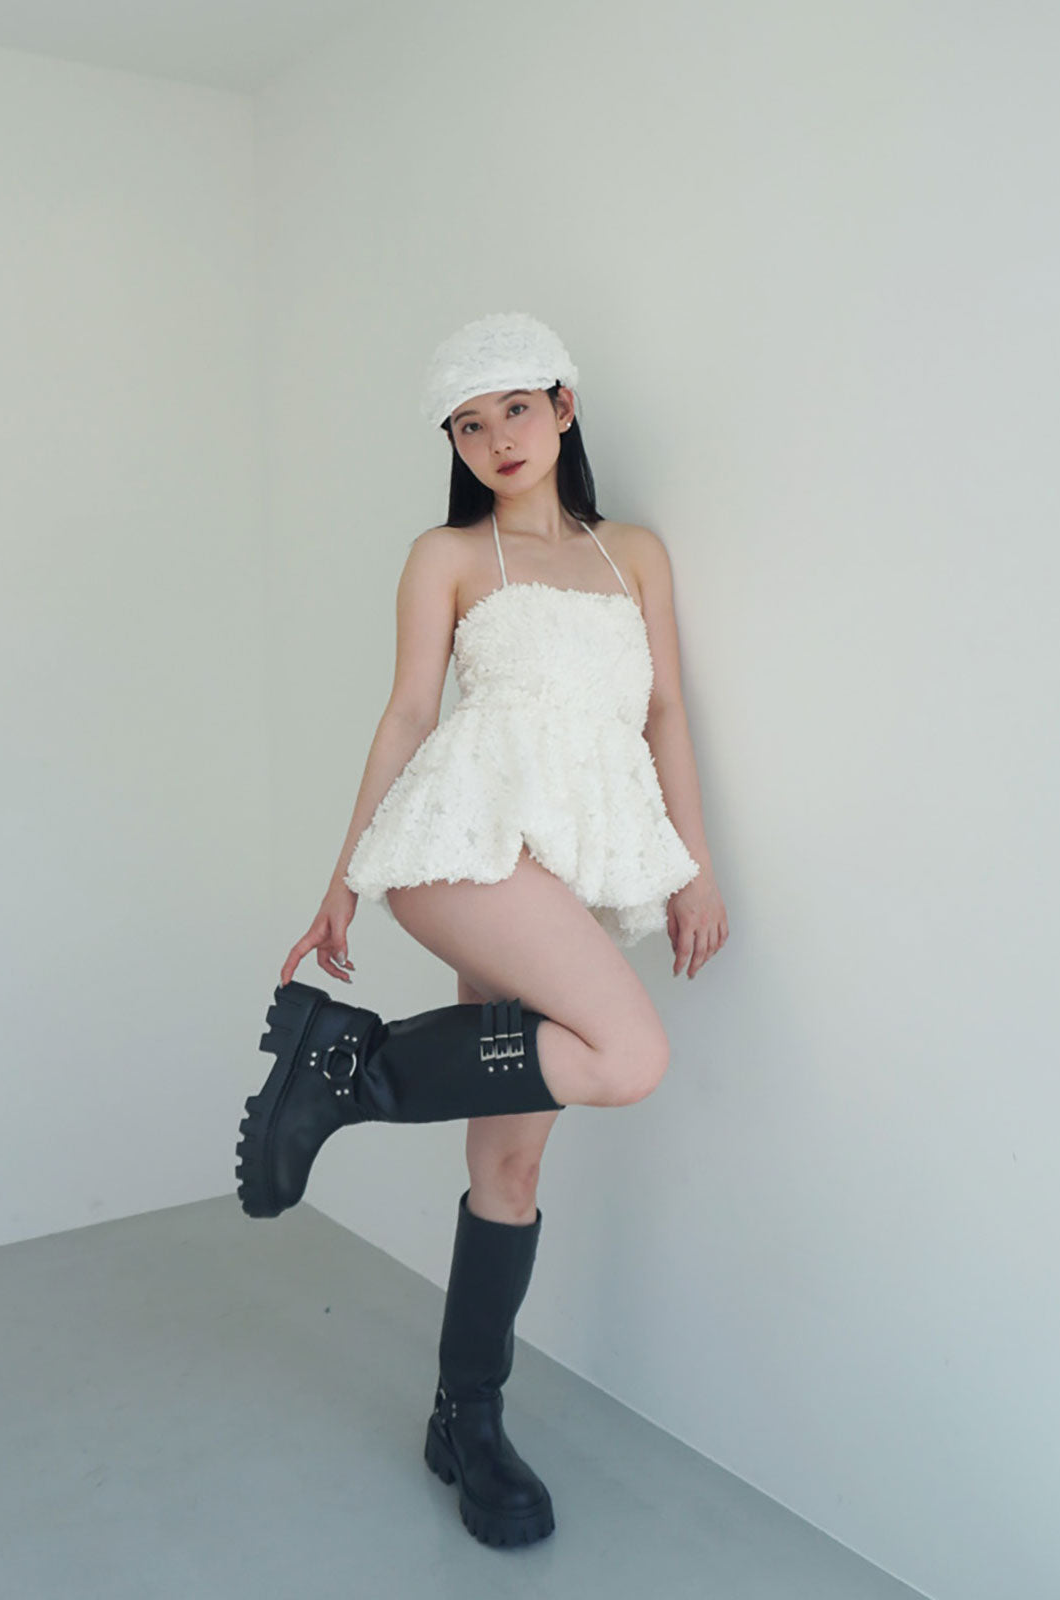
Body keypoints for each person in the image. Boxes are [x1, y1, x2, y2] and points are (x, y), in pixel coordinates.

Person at [235, 311, 729, 1549]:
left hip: (578, 865)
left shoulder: (634, 553)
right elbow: (408, 714)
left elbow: (666, 713)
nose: (496, 438)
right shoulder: (447, 555)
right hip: (468, 843)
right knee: (631, 1053)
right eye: (468, 424)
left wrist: (693, 867)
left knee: (510, 1169)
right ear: (453, 443)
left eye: (514, 408)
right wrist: (343, 880)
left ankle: (469, 1420)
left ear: (564, 406)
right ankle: (350, 1066)